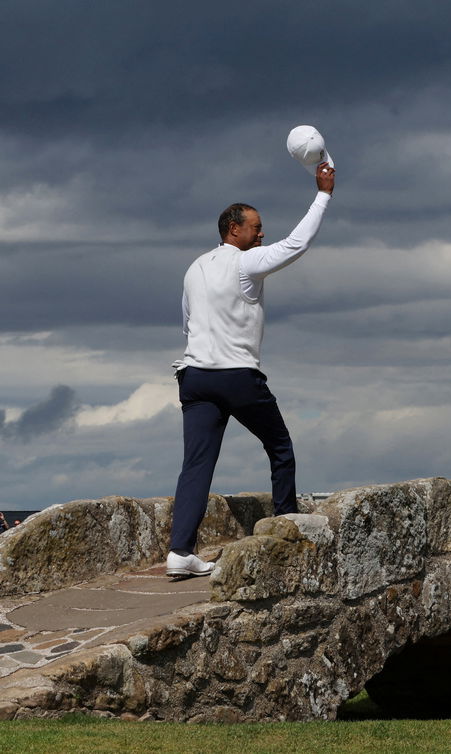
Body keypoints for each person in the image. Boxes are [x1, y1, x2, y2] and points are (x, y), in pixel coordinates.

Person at [167, 162, 335, 578]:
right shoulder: (246, 263)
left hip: (195, 377)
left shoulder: (194, 268)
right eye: (256, 228)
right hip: (237, 377)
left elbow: (187, 322)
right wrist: (323, 194)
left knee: (196, 465)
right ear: (233, 231)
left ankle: (180, 553)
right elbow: (297, 244)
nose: (261, 234)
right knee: (280, 448)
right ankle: (287, 527)